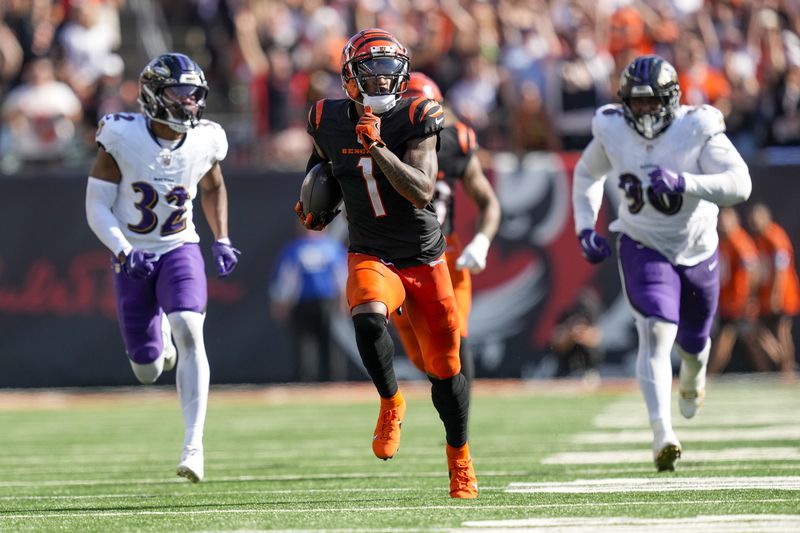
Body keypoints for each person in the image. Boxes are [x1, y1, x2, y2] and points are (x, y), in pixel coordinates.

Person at [296, 28, 477, 498]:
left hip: (423, 256)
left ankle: (460, 458)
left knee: (446, 370)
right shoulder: (324, 117)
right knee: (368, 315)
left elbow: (420, 190)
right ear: (350, 79)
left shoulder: (417, 115)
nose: (380, 82)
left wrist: (376, 147)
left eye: (388, 73)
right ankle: (391, 400)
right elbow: (321, 165)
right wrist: (315, 202)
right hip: (371, 250)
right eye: (370, 73)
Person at [571, 55, 751, 472]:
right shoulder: (613, 128)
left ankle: (693, 374)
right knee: (654, 331)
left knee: (694, 344)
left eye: (652, 102)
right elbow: (586, 175)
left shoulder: (696, 127)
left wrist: (686, 182)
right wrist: (584, 226)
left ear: (670, 99)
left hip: (697, 247)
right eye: (637, 103)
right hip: (642, 241)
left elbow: (740, 183)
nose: (644, 111)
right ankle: (661, 433)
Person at [85, 53, 240, 483]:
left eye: (195, 94)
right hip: (133, 254)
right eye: (180, 93)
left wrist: (221, 237)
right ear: (154, 95)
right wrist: (121, 250)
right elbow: (96, 205)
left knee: (191, 329)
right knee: (147, 367)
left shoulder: (207, 139)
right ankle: (160, 344)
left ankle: (194, 446)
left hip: (179, 248)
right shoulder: (121, 135)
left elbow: (213, 186)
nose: (190, 103)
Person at [390, 72, 501, 384]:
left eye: (426, 109)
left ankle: (460, 431)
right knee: (422, 357)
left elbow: (489, 203)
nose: (420, 119)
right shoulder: (380, 145)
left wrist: (481, 242)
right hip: (398, 257)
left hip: (443, 254)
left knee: (455, 340)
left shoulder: (456, 141)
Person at [269, 227, 348, 382]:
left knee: (331, 344)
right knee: (304, 345)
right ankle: (305, 382)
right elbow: (286, 280)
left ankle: (333, 382)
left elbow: (342, 276)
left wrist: (344, 300)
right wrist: (281, 303)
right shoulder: (294, 249)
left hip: (327, 303)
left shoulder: (332, 248)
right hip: (302, 304)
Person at [708, 207, 766, 374]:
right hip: (729, 303)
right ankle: (776, 370)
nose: (722, 223)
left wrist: (750, 298)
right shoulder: (723, 241)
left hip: (739, 302)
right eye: (721, 219)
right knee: (752, 340)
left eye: (726, 219)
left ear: (735, 220)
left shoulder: (739, 241)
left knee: (730, 338)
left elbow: (753, 270)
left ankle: (784, 368)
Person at [747, 203, 800, 377]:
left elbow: (781, 270)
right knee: (759, 332)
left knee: (782, 330)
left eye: (757, 218)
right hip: (766, 297)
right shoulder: (758, 240)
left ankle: (787, 370)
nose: (754, 222)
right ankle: (779, 363)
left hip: (782, 295)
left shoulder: (775, 237)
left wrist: (776, 295)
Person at [549, 288, 604, 379]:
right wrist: (570, 335)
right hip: (566, 369)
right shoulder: (565, 309)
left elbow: (597, 338)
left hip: (589, 369)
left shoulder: (588, 307)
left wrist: (582, 334)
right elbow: (556, 342)